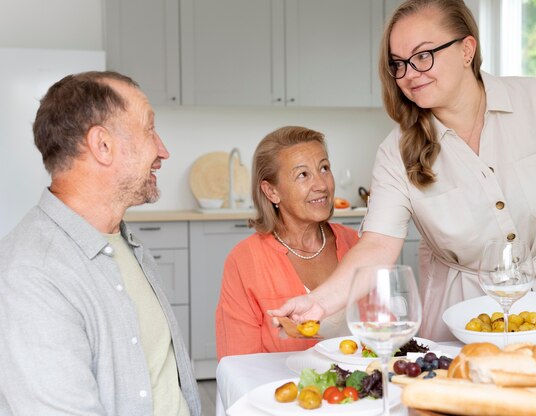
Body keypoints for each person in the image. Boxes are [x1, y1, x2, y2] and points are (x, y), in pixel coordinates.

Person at [269, 0, 536, 356]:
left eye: (423, 55)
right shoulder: (395, 152)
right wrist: (319, 303)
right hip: (462, 318)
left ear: (467, 49)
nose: (409, 74)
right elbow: (376, 247)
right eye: (398, 64)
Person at [0, 71, 201, 415]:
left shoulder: (122, 242)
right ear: (103, 145)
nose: (163, 151)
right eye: (150, 129)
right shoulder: (31, 275)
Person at [215, 126, 359, 359]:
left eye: (324, 168)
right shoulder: (244, 260)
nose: (321, 184)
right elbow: (238, 362)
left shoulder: (357, 245)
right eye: (303, 175)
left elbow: (387, 338)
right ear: (271, 192)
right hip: (283, 393)